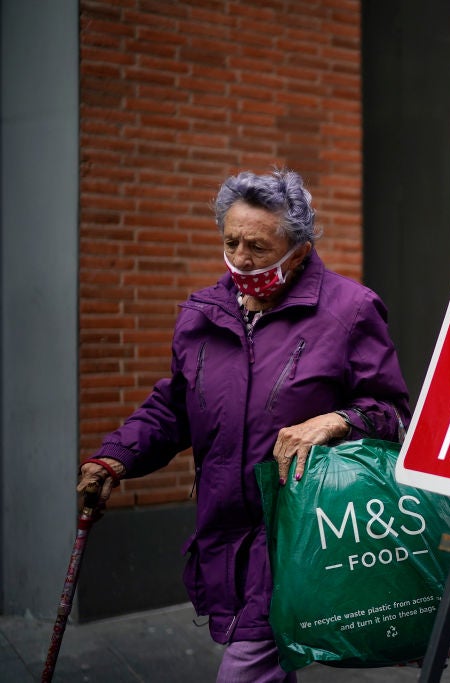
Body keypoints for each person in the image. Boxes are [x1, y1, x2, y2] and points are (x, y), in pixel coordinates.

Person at [76, 169, 411, 682]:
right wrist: (115, 457)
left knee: (245, 670)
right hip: (221, 533)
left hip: (295, 536)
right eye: (231, 240)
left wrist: (337, 420)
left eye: (257, 245)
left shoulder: (349, 310)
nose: (240, 258)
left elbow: (393, 414)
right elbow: (175, 407)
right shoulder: (202, 314)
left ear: (299, 249)